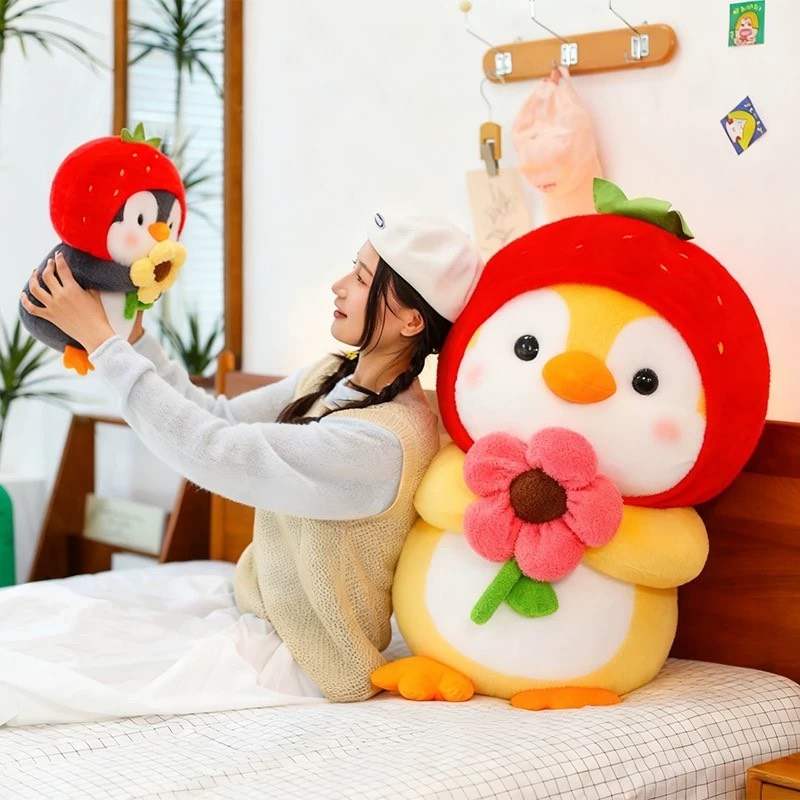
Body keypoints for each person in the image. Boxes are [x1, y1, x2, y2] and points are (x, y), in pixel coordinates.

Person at [20, 209, 484, 703]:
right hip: (256, 618)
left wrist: (103, 344)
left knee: (55, 684)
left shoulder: (382, 443)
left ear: (412, 320)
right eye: (353, 267)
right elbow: (216, 416)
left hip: (307, 658)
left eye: (363, 279)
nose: (339, 285)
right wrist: (129, 336)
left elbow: (214, 450)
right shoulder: (331, 375)